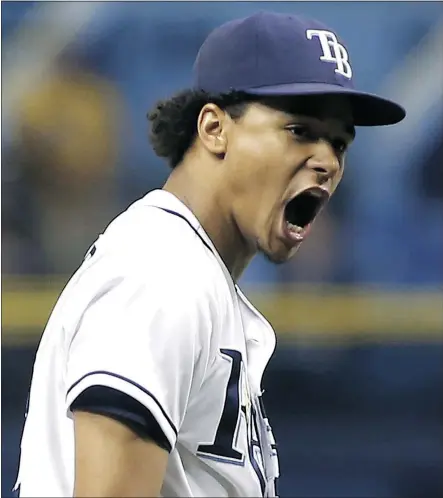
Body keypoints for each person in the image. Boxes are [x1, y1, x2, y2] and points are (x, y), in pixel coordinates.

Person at [15, 11, 405, 498]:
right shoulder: (161, 272)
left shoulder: (194, 274)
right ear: (214, 128)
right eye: (300, 130)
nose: (327, 160)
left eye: (340, 142)